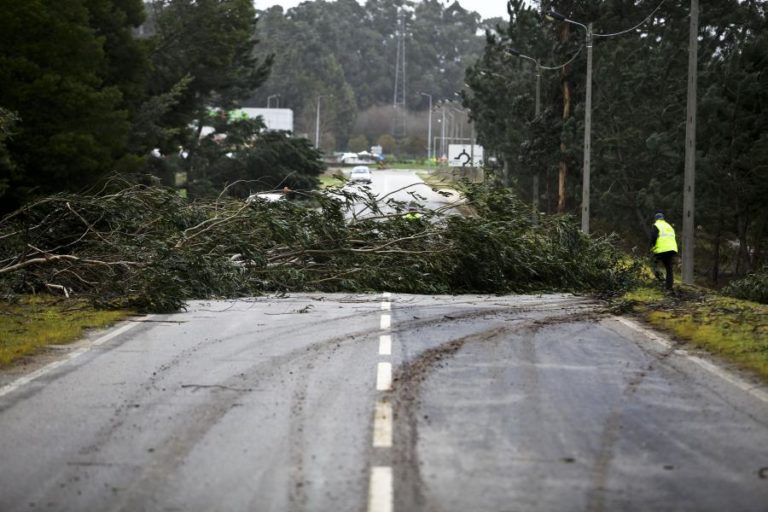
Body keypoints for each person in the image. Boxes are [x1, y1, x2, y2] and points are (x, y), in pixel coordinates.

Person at [650, 211, 678, 290]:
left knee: (653, 263)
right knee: (669, 268)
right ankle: (669, 287)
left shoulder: (656, 225)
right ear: (663, 218)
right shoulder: (669, 226)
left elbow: (653, 237)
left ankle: (660, 279)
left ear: (656, 219)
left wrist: (650, 247)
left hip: (661, 249)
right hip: (671, 249)